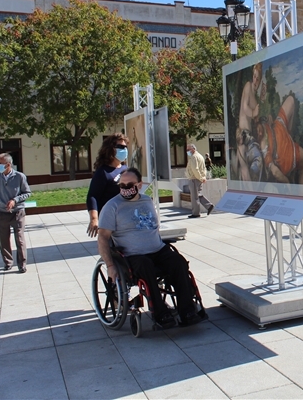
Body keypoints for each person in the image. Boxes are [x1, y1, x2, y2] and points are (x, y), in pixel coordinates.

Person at [97, 167, 207, 328]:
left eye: (130, 185)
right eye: (122, 185)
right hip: (133, 255)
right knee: (145, 266)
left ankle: (188, 311)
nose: (125, 189)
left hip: (157, 249)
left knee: (178, 262)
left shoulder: (147, 201)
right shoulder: (112, 206)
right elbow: (103, 237)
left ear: (139, 185)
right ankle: (160, 313)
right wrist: (110, 265)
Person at [254, 95, 303, 184]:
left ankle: (289, 133)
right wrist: (287, 182)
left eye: (257, 131)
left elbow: (264, 117)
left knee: (290, 100)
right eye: (257, 136)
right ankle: (302, 195)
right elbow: (275, 172)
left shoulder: (259, 122)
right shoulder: (264, 146)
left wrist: (268, 119)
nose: (259, 134)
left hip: (279, 126)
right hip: (285, 152)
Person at [0, 153, 31, 273]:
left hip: (17, 212)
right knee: (3, 239)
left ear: (8, 165)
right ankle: (8, 262)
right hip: (1, 213)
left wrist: (15, 200)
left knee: (19, 238)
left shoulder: (19, 177)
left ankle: (22, 264)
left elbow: (27, 193)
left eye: (0, 163)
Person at [87, 133, 128, 237]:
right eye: (120, 147)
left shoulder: (125, 169)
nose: (124, 150)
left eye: (125, 147)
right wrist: (94, 219)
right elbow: (93, 196)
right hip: (109, 221)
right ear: (110, 149)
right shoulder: (103, 172)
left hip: (126, 218)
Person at [186, 144, 214, 218]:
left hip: (194, 179)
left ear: (193, 149)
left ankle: (196, 213)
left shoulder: (194, 157)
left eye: (188, 149)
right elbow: (204, 168)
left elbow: (195, 169)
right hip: (198, 178)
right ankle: (209, 206)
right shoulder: (200, 156)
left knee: (194, 197)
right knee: (198, 195)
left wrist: (201, 178)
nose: (187, 151)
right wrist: (203, 177)